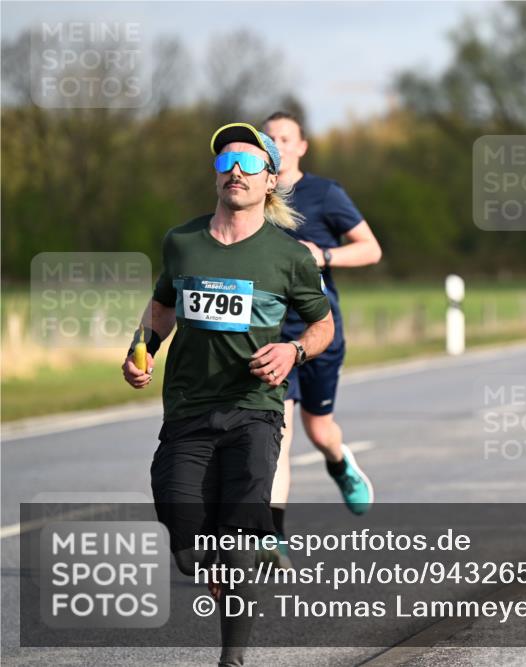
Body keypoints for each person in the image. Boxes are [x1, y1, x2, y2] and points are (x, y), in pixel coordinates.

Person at [122, 122, 335, 666]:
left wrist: (294, 352)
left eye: (246, 164)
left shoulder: (288, 257)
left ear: (269, 180)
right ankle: (210, 554)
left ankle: (232, 660)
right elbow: (162, 309)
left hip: (255, 412)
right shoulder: (182, 241)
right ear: (214, 176)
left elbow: (322, 326)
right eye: (223, 164)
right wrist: (140, 349)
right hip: (189, 411)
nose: (233, 171)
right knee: (190, 542)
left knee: (239, 541)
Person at [260, 112, 380, 569]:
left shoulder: (326, 194)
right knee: (280, 435)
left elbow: (371, 248)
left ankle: (338, 462)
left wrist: (324, 254)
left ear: (301, 146)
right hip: (271, 338)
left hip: (321, 330)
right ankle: (273, 537)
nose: (277, 144)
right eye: (269, 138)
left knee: (319, 429)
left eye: (285, 138)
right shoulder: (254, 197)